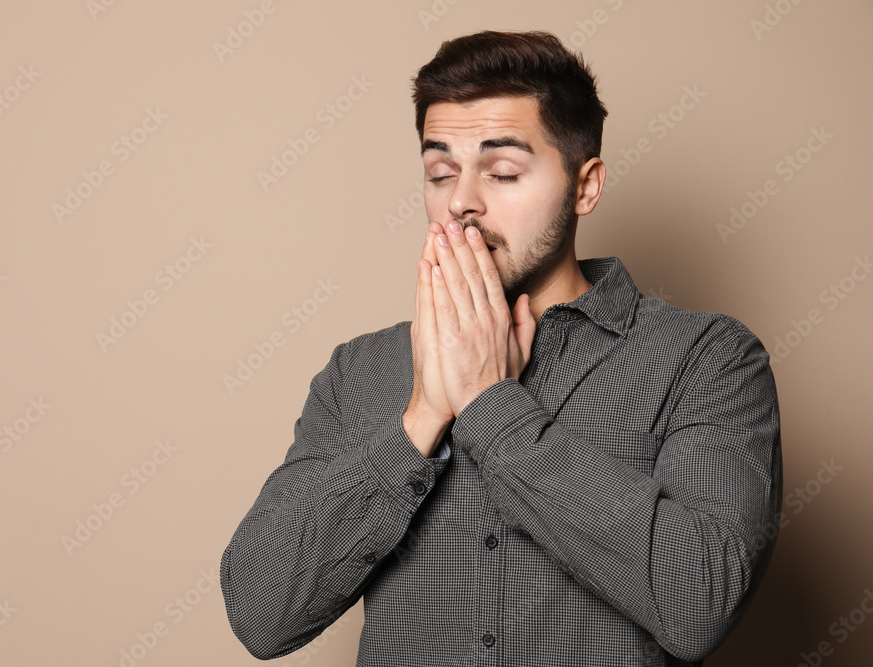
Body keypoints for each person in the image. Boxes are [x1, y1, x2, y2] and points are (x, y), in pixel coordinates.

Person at [220, 30, 782, 666]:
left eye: (503, 172)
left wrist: (492, 407)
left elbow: (698, 601)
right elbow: (261, 616)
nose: (461, 201)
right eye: (440, 173)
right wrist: (423, 416)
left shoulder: (708, 358)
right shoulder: (358, 373)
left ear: (585, 186)